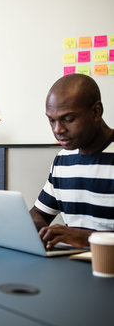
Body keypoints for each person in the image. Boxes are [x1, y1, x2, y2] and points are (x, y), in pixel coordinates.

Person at [30, 74, 114, 249]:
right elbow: (40, 213)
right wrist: (35, 229)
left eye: (68, 119)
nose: (58, 129)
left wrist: (86, 238)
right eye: (51, 120)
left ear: (96, 112)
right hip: (73, 265)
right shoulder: (63, 159)